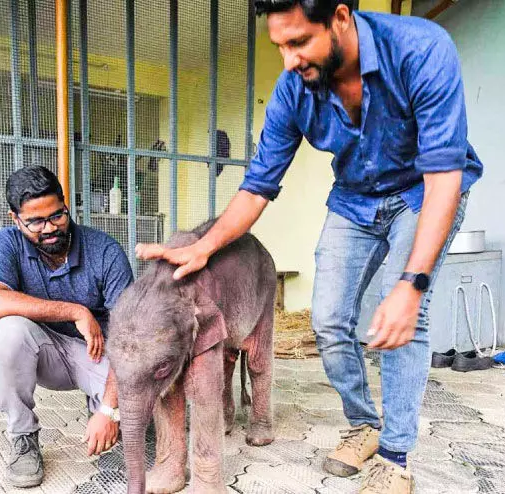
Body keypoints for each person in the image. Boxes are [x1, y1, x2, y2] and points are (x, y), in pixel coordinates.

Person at [136, 2, 482, 493]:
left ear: (340, 17)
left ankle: (395, 456)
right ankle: (364, 425)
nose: (289, 60)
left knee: (410, 314)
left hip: (423, 193)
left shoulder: (421, 50)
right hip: (356, 200)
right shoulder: (294, 89)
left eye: (298, 42)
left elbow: (445, 175)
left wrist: (412, 285)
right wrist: (205, 246)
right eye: (279, 46)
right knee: (328, 319)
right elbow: (258, 185)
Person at [0, 166, 133, 488]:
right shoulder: (7, 244)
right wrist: (75, 310)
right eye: (34, 221)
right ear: (15, 218)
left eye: (57, 216)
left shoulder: (104, 251)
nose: (49, 228)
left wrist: (110, 410)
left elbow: (129, 339)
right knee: (7, 333)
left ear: (66, 205)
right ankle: (24, 439)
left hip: (97, 351)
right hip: (44, 351)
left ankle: (100, 412)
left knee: (142, 400)